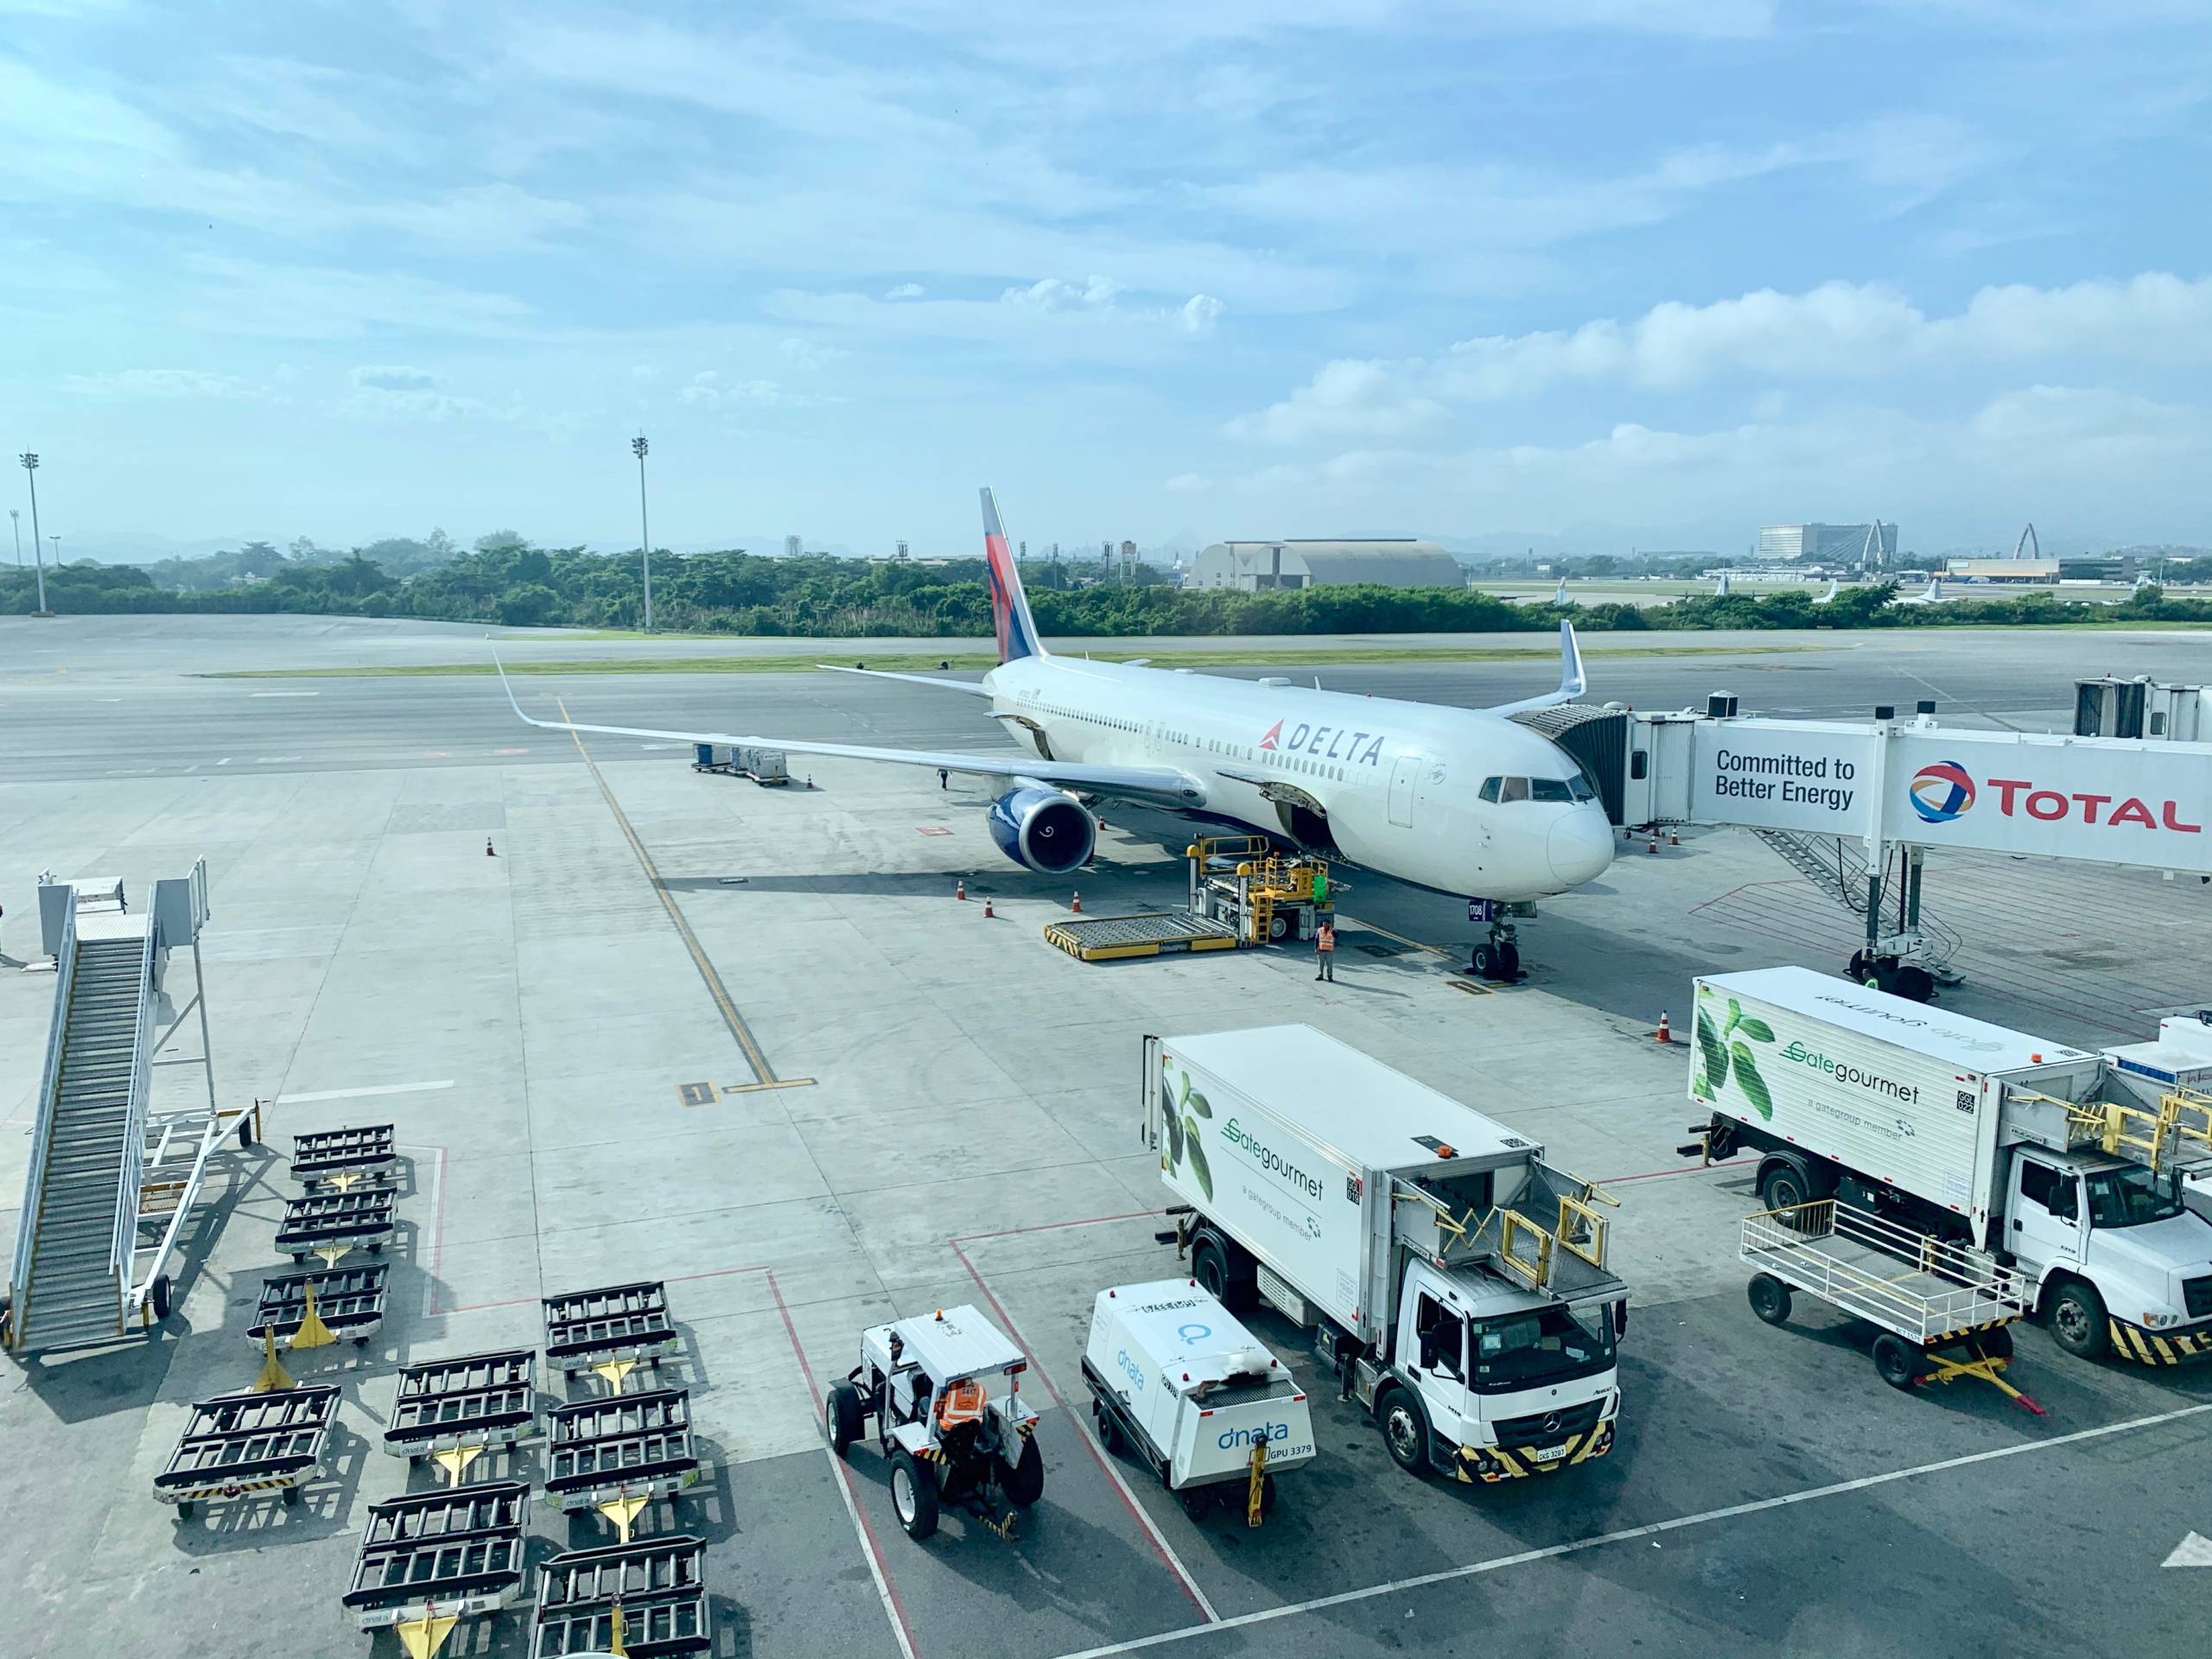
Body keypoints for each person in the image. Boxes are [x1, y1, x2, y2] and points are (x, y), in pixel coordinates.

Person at [1313, 915, 1336, 982]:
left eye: (1326, 924)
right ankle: (1320, 975)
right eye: (1323, 924)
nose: (1324, 925)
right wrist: (1316, 948)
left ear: (1329, 924)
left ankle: (1330, 976)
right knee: (1321, 964)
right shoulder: (1320, 930)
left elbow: (1337, 935)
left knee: (1329, 965)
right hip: (1321, 950)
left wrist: (1332, 931)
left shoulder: (1332, 931)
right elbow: (1316, 939)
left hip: (1329, 951)